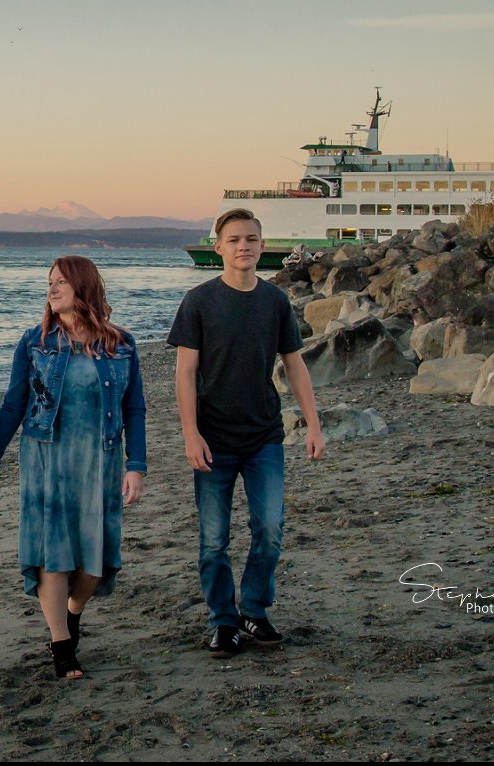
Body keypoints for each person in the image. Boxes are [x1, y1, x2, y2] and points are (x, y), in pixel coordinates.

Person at [167, 208, 324, 657]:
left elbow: (295, 366)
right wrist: (190, 434)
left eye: (251, 239)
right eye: (234, 239)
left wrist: (313, 424)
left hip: (263, 438)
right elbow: (185, 373)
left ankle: (254, 609)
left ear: (262, 246)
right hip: (213, 438)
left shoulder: (274, 302)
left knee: (270, 528)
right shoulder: (198, 301)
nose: (244, 246)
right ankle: (223, 621)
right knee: (214, 539)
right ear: (218, 247)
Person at [0, 256, 147, 679]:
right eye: (50, 282)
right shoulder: (34, 342)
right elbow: (12, 406)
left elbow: (135, 410)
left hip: (101, 460)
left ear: (83, 286)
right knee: (54, 557)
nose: (53, 289)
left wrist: (137, 466)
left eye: (62, 281)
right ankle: (62, 645)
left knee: (93, 567)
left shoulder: (122, 344)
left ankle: (73, 612)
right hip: (47, 458)